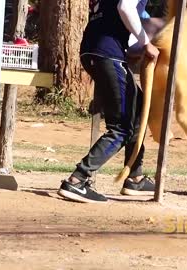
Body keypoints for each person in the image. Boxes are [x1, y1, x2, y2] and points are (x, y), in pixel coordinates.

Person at [57, 0, 161, 203]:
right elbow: (125, 8)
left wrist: (139, 43)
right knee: (122, 127)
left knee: (138, 108)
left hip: (94, 51)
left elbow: (114, 18)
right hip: (108, 54)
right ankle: (77, 180)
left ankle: (135, 177)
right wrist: (147, 43)